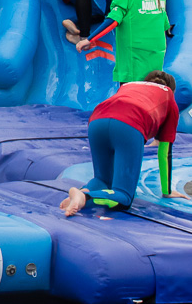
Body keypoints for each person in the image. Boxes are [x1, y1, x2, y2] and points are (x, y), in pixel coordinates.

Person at [61, 70, 182, 215]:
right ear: (171, 89)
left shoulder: (130, 85)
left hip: (96, 121)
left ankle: (82, 192)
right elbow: (164, 152)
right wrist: (167, 191)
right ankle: (85, 197)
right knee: (124, 197)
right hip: (129, 125)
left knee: (102, 179)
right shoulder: (169, 97)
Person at [80, 0, 171, 84]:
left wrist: (89, 39)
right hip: (156, 55)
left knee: (131, 94)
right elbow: (164, 25)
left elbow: (113, 21)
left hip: (134, 57)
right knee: (150, 91)